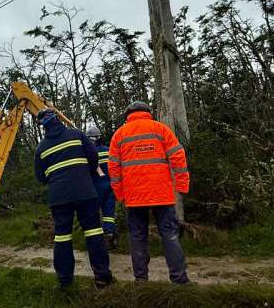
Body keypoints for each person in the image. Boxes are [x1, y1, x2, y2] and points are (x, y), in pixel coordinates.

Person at [108, 101, 190, 284]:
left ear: (128, 115)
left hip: (134, 197)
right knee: (170, 235)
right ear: (147, 112)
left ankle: (141, 280)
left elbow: (113, 169)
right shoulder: (161, 129)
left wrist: (120, 195)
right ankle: (179, 279)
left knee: (137, 237)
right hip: (162, 194)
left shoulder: (119, 135)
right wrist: (182, 185)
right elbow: (178, 156)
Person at [34, 108, 114, 289]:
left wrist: (56, 179)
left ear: (42, 126)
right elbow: (93, 156)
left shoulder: (41, 148)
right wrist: (83, 174)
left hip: (59, 197)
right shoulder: (77, 134)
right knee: (94, 233)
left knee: (62, 237)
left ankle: (65, 282)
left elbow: (40, 177)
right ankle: (102, 278)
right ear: (58, 119)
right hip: (85, 192)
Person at [86, 125, 117, 249]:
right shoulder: (109, 150)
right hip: (110, 186)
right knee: (109, 212)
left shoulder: (88, 153)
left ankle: (95, 239)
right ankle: (110, 235)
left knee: (93, 213)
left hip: (95, 187)